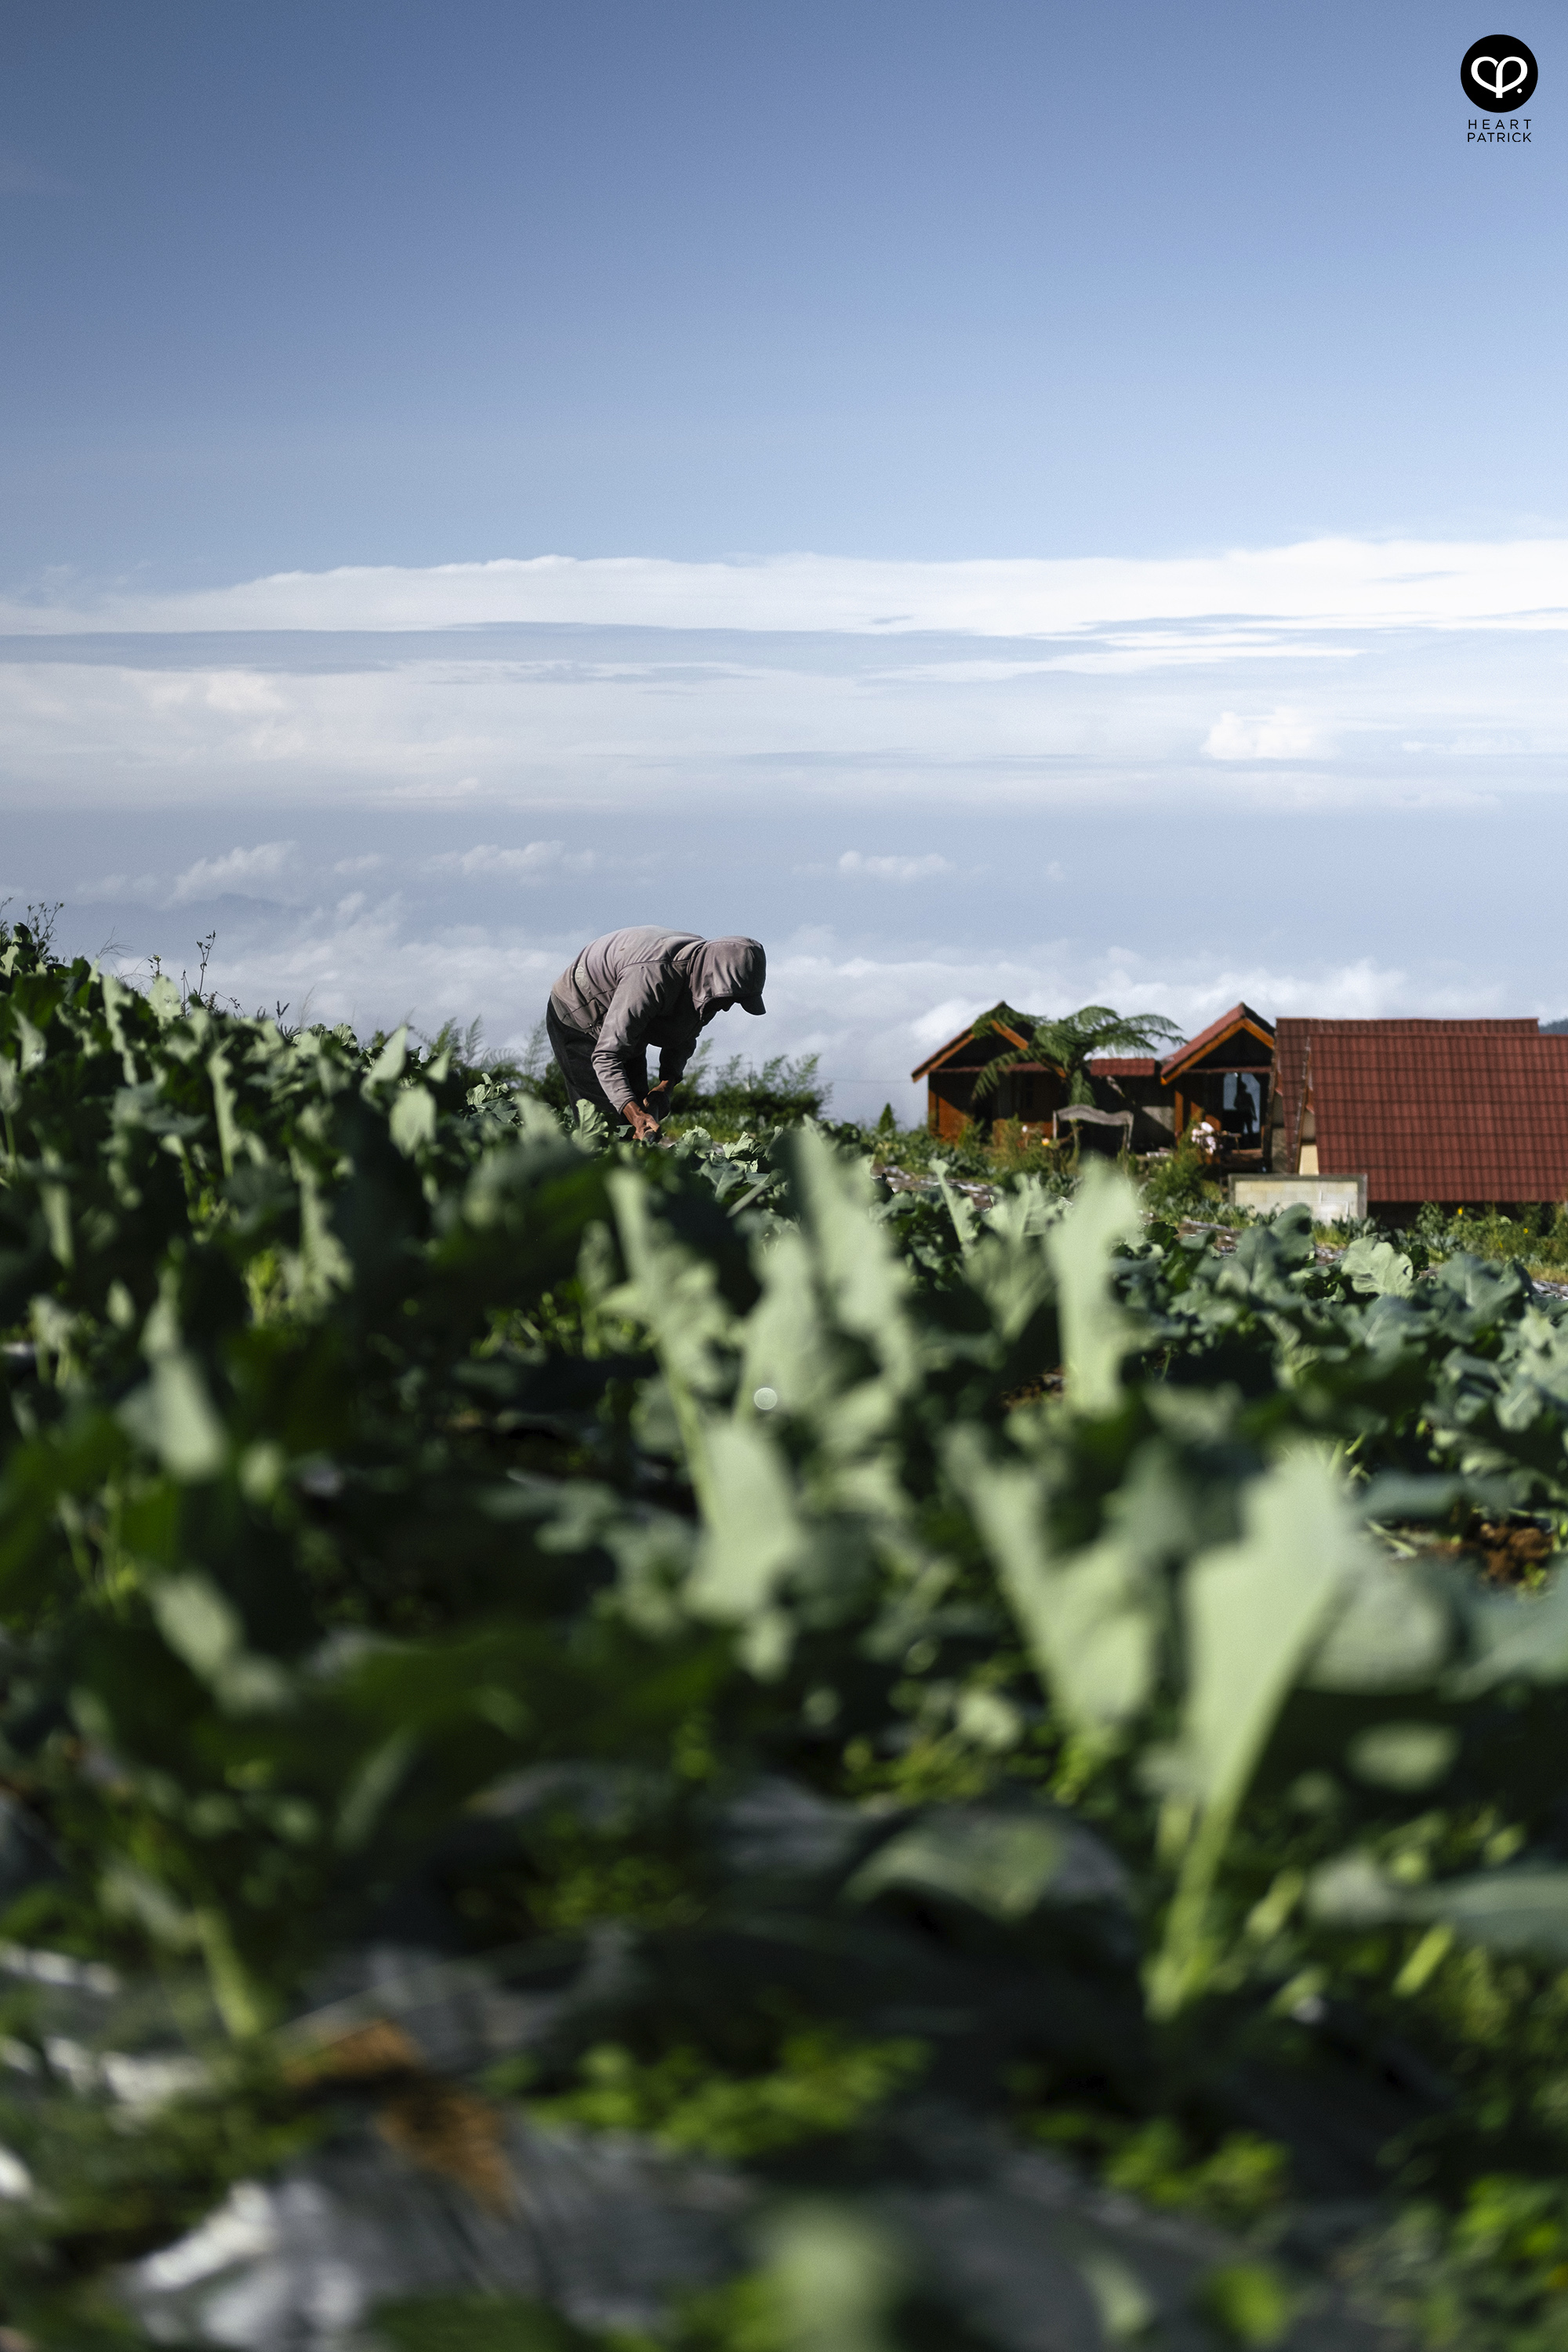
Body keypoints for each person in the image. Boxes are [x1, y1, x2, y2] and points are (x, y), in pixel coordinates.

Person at [546, 927, 766, 1141]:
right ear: (714, 979)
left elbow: (685, 1035)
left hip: (625, 1025)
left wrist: (665, 1087)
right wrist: (635, 1115)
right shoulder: (652, 976)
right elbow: (607, 1056)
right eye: (730, 999)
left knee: (640, 1116)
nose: (727, 1007)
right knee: (608, 1129)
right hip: (580, 1015)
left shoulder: (709, 989)